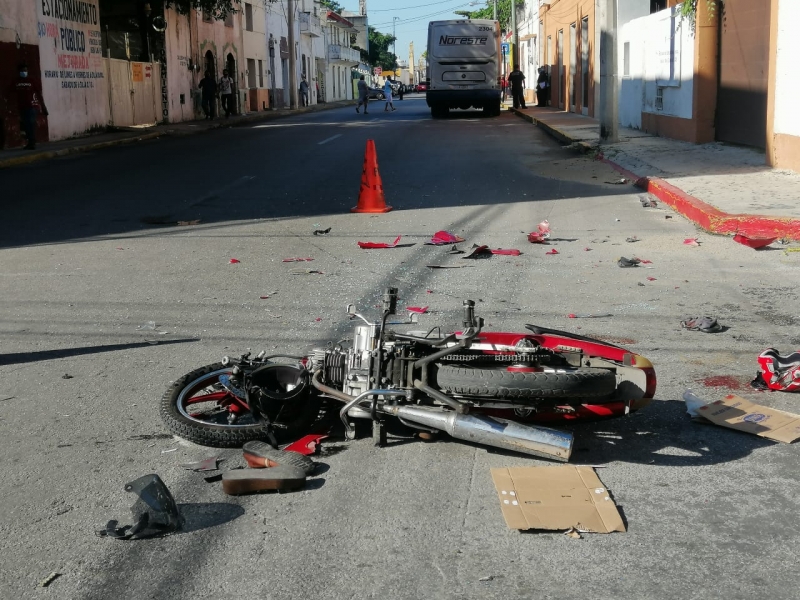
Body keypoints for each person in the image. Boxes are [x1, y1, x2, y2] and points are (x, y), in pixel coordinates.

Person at [13, 63, 48, 150]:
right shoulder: (16, 82)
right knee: (26, 125)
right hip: (22, 107)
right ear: (19, 72)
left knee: (30, 124)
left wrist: (43, 106)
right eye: (22, 71)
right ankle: (30, 141)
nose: (24, 72)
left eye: (25, 70)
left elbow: (39, 94)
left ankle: (32, 142)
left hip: (32, 106)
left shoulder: (32, 81)